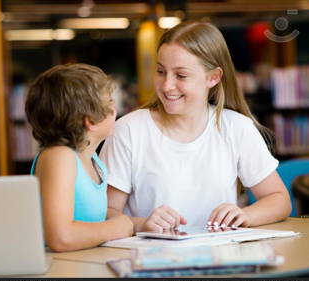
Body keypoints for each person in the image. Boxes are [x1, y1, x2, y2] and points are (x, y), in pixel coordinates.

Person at [99, 21, 291, 233]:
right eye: (161, 71)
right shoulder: (128, 130)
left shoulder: (236, 127)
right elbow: (106, 211)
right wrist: (141, 224)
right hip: (149, 257)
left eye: (181, 75)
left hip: (221, 257)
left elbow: (279, 200)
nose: (166, 85)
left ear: (213, 77)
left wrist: (245, 215)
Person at [25, 64, 134, 252]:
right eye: (110, 102)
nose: (115, 108)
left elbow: (92, 215)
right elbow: (61, 238)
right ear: (90, 121)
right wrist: (117, 227)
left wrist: (139, 224)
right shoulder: (60, 157)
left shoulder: (94, 161)